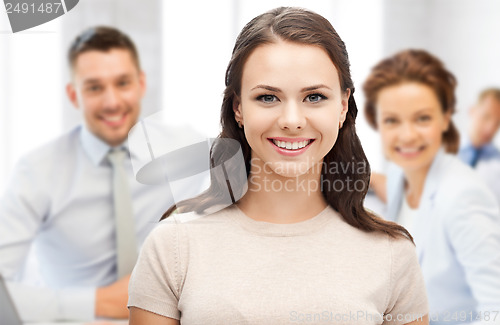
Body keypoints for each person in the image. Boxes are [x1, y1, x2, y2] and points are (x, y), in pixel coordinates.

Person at [128, 7, 429, 325]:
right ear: (238, 108)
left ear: (342, 106)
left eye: (314, 97)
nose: (291, 121)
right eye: (268, 98)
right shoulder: (173, 245)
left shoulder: (392, 252)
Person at [0, 26, 201, 322]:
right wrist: (97, 302)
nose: (112, 102)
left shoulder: (186, 148)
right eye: (94, 87)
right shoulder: (38, 171)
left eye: (123, 83)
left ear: (141, 84)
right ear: (73, 94)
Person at [363, 49, 500, 324]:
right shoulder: (400, 175)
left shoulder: (463, 195)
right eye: (392, 120)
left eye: (422, 118)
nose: (408, 135)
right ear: (378, 123)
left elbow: (495, 309)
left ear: (446, 118)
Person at [458, 88, 500, 204]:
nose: (490, 128)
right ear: (472, 111)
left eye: (497, 123)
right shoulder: (442, 149)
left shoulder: (497, 163)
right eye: (486, 117)